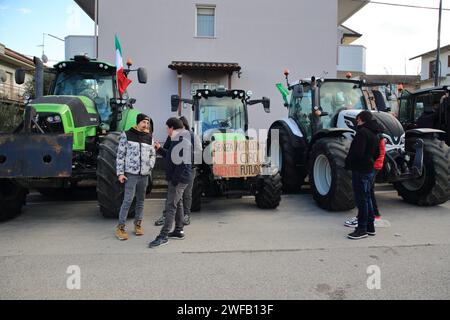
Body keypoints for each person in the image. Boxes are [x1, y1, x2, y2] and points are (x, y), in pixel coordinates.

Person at [149, 117, 192, 248]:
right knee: (177, 203)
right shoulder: (177, 139)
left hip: (178, 180)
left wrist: (174, 180)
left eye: (167, 127)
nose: (166, 130)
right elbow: (171, 156)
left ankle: (163, 235)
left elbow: (183, 164)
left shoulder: (182, 141)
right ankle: (179, 230)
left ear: (172, 128)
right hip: (178, 178)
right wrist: (159, 149)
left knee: (170, 206)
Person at [154, 116, 201, 226]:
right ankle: (174, 223)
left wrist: (187, 163)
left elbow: (197, 154)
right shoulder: (172, 137)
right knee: (174, 198)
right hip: (175, 172)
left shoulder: (192, 137)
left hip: (187, 171)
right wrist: (159, 149)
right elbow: (168, 152)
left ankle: (185, 216)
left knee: (186, 194)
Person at [115, 113, 156, 241]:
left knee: (141, 201)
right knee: (127, 200)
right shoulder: (126, 135)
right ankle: (120, 227)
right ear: (138, 122)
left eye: (148, 123)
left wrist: (149, 167)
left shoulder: (149, 137)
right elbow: (120, 155)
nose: (146, 125)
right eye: (144, 122)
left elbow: (153, 154)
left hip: (144, 175)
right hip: (131, 174)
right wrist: (120, 173)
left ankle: (138, 225)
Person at [345, 111, 380, 240]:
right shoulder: (375, 133)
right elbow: (377, 153)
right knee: (367, 198)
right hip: (369, 169)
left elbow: (357, 153)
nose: (356, 122)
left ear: (360, 119)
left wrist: (349, 161)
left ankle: (362, 229)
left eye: (357, 120)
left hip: (360, 170)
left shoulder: (362, 133)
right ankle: (370, 227)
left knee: (362, 200)